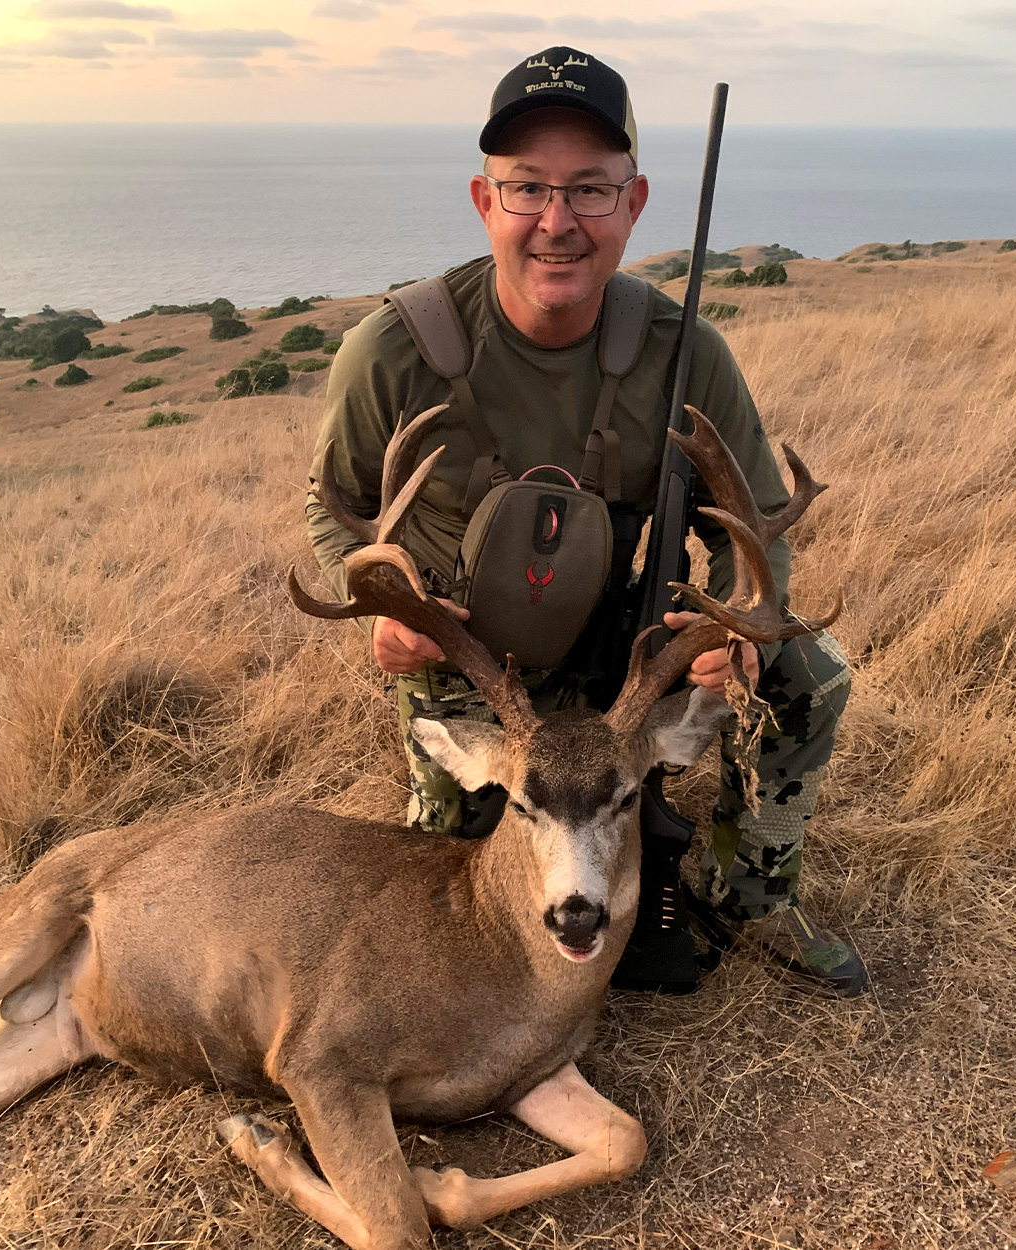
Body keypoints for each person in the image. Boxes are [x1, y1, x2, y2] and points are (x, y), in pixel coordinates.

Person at [305, 47, 866, 996]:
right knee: (447, 885)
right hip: (474, 662)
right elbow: (334, 508)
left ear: (634, 203)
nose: (556, 223)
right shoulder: (395, 351)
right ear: (485, 202)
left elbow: (755, 525)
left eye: (590, 191)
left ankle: (751, 893)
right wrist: (383, 601)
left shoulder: (683, 356)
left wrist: (727, 630)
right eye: (526, 189)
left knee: (803, 675)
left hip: (630, 653)